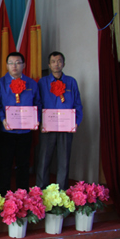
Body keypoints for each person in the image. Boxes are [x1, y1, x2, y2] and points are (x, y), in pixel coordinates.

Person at [0, 52, 41, 194]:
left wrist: (36, 118)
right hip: (6, 132)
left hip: (25, 131)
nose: (14, 66)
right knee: (5, 164)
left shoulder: (31, 84)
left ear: (23, 65)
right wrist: (3, 119)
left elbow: (37, 104)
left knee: (23, 164)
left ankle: (22, 194)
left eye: (18, 63)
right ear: (7, 65)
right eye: (11, 63)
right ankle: (3, 195)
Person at [36, 51, 83, 190]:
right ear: (49, 65)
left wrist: (76, 122)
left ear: (64, 64)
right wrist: (40, 121)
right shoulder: (42, 82)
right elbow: (38, 103)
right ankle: (41, 191)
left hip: (66, 127)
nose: (56, 64)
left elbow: (78, 104)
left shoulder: (71, 82)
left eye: (59, 61)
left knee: (64, 161)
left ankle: (62, 192)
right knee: (44, 160)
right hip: (47, 127)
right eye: (53, 61)